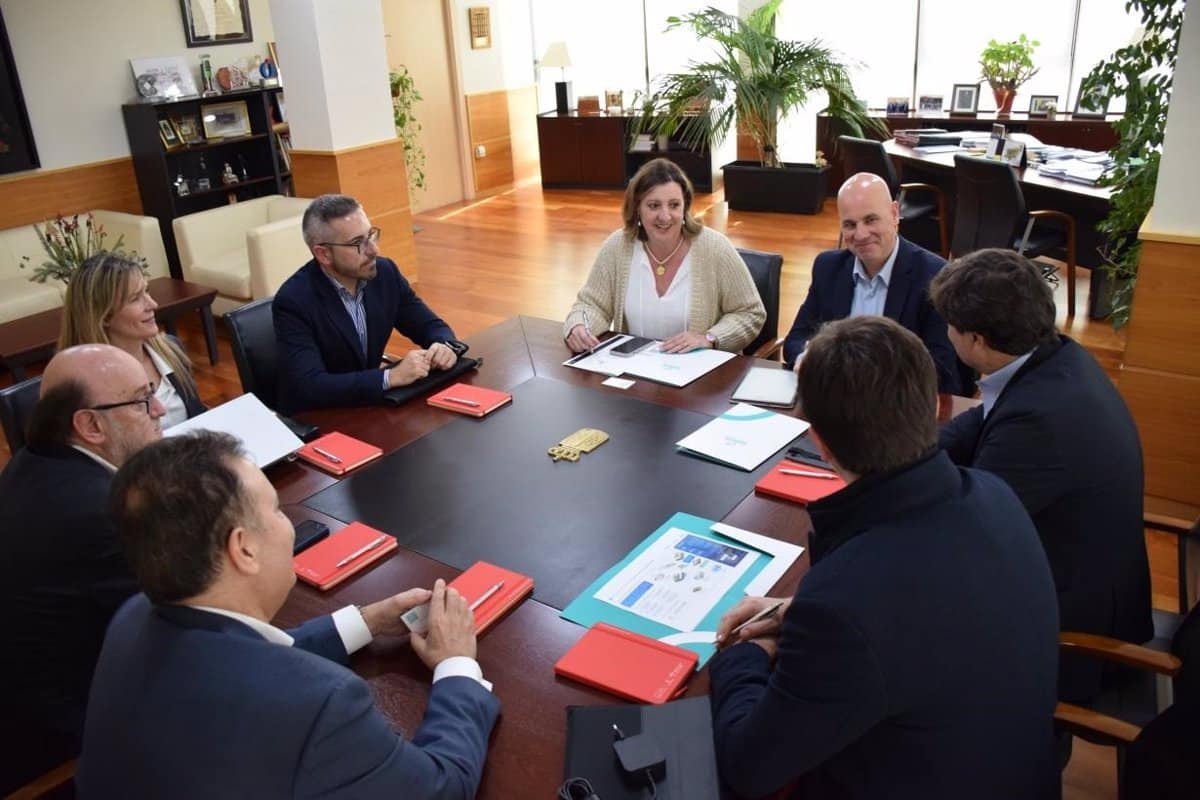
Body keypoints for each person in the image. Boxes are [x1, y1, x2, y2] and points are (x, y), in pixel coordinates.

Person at [709, 317, 1059, 800]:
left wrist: (744, 653)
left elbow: (749, 765)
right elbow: (928, 615)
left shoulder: (842, 604)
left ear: (822, 444)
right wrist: (792, 613)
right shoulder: (992, 492)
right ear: (933, 407)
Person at [78, 431, 499, 798]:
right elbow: (440, 788)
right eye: (278, 510)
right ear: (243, 549)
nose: (289, 526)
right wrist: (457, 666)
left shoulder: (134, 617)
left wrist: (365, 623)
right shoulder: (319, 703)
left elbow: (244, 661)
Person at [930, 248, 1152, 703]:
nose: (945, 332)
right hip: (1079, 570)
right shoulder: (1054, 355)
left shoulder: (1040, 422)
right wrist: (911, 454)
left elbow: (967, 526)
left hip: (1070, 626)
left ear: (976, 340)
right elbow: (982, 420)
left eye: (949, 325)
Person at [0, 344, 165, 793]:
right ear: (89, 425)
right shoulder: (99, 515)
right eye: (140, 399)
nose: (159, 408)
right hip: (68, 747)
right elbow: (188, 629)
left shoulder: (32, 467)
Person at [274, 193, 467, 414]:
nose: (374, 250)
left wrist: (443, 345)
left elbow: (428, 324)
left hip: (366, 406)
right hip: (319, 419)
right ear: (324, 254)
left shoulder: (385, 273)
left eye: (371, 235)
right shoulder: (293, 301)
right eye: (358, 243)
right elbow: (310, 386)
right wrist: (389, 377)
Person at [564, 158, 765, 354]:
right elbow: (590, 305)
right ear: (637, 208)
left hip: (703, 378)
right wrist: (579, 327)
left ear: (685, 207)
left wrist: (710, 338)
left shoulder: (715, 248)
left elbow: (751, 313)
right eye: (654, 205)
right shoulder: (618, 247)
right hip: (636, 375)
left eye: (674, 205)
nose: (665, 216)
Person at [781, 172, 959, 393]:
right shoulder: (828, 268)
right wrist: (806, 356)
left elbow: (941, 369)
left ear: (895, 214)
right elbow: (795, 340)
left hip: (896, 406)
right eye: (849, 225)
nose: (861, 234)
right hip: (834, 399)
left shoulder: (934, 275)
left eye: (870, 220)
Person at [59, 252, 204, 428]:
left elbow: (198, 416)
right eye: (135, 299)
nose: (152, 305)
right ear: (103, 316)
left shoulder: (172, 349)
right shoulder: (83, 386)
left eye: (147, 291)